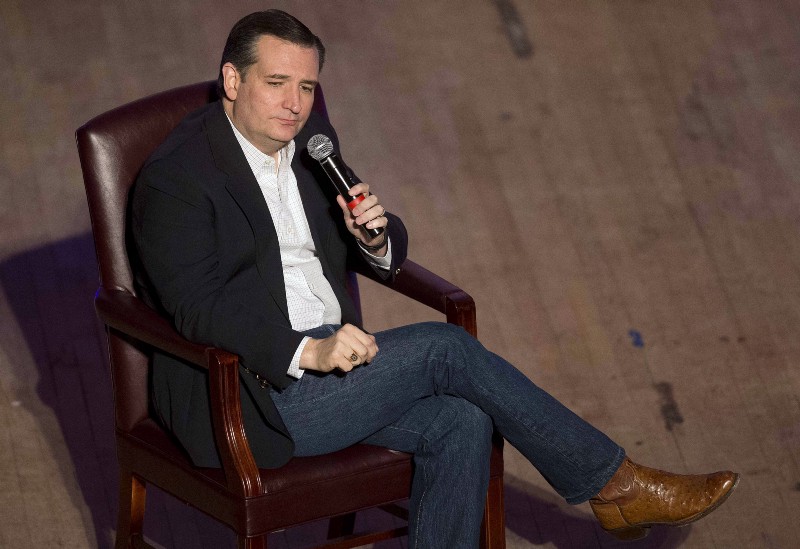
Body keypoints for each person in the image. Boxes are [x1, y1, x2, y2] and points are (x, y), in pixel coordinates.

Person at [131, 9, 738, 547]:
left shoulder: (312, 143)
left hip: (335, 363)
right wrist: (307, 349)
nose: (295, 102)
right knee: (445, 350)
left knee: (462, 420)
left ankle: (611, 486)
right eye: (277, 83)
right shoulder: (177, 178)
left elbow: (371, 232)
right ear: (232, 81)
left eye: (308, 86)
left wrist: (372, 237)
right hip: (251, 391)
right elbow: (196, 306)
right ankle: (614, 483)